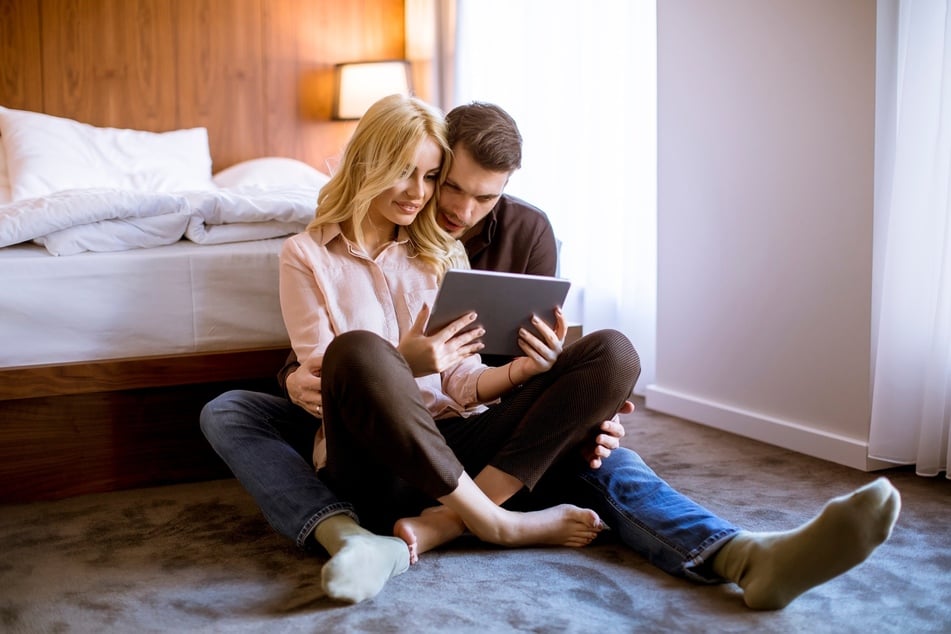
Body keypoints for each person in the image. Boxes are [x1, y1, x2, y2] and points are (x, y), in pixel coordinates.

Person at [202, 99, 901, 611]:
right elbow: (332, 368)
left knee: (609, 366)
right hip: (377, 453)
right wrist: (402, 359)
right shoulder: (307, 254)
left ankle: (746, 556)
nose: (428, 199)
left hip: (479, 443)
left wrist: (537, 381)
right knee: (280, 389)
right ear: (375, 165)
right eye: (427, 180)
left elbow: (467, 379)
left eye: (435, 181)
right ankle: (481, 524)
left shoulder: (452, 248)